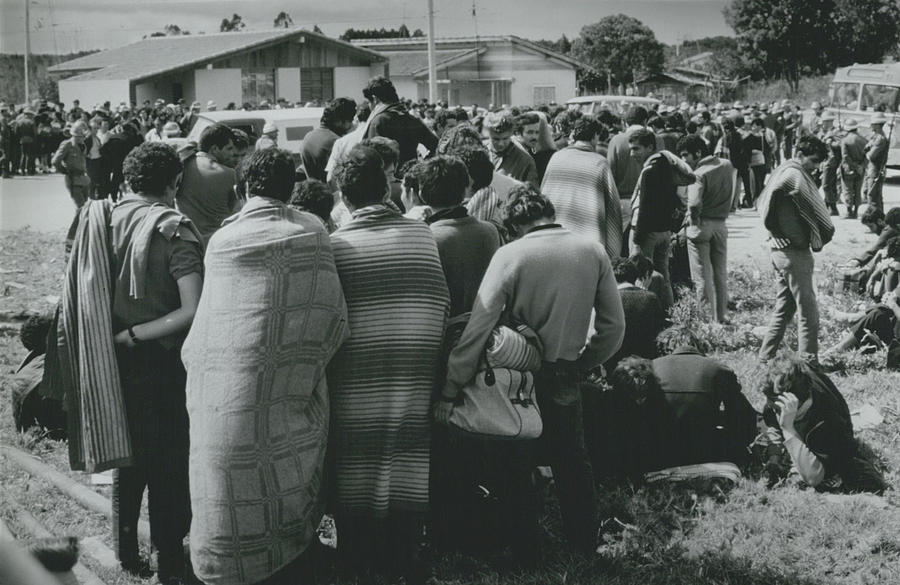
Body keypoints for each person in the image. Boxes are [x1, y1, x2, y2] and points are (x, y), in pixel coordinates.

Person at [183, 148, 348, 585]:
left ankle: (222, 563)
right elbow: (330, 315)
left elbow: (214, 322)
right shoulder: (312, 231)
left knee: (221, 483)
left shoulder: (221, 240)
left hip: (222, 393)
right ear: (291, 189)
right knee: (285, 468)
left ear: (241, 189)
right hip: (284, 388)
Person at [439, 188, 625, 557]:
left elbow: (479, 326)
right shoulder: (592, 250)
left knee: (518, 461)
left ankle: (525, 545)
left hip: (515, 374)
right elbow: (614, 328)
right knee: (572, 459)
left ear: (513, 225)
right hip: (565, 368)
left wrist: (451, 385)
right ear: (549, 212)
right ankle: (584, 544)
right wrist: (583, 362)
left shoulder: (510, 254)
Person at [328, 145, 449, 584]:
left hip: (355, 380)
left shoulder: (335, 246)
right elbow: (438, 301)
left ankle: (356, 558)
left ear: (343, 197)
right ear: (388, 189)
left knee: (354, 465)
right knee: (405, 462)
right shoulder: (421, 235)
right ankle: (401, 556)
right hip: (413, 375)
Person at [102, 142, 203, 583]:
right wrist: (139, 333)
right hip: (162, 362)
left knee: (128, 457)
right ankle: (170, 559)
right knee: (169, 462)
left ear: (128, 180)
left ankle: (125, 551)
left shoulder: (101, 222)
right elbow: (192, 308)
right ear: (174, 181)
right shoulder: (174, 228)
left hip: (111, 359)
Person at [757, 135, 834, 363]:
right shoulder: (795, 174)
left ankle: (765, 357)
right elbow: (807, 203)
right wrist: (779, 231)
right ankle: (809, 362)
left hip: (781, 252)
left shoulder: (782, 170)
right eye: (813, 160)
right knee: (808, 312)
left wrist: (775, 232)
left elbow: (767, 203)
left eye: (819, 162)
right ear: (799, 154)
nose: (816, 166)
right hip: (793, 253)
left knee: (785, 307)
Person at [761, 358, 887, 494]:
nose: (774, 411)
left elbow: (813, 477)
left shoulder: (827, 423)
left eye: (778, 409)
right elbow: (772, 423)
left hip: (830, 439)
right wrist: (774, 456)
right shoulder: (779, 401)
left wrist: (788, 428)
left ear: (794, 403)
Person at [629, 128, 696, 308]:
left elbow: (644, 209)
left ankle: (646, 314)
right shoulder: (667, 166)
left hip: (647, 234)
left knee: (643, 278)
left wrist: (636, 241)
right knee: (664, 277)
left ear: (650, 147)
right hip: (664, 232)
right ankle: (669, 314)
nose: (632, 153)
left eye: (636, 149)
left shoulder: (649, 171)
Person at [541, 114, 622, 260]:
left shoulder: (556, 158)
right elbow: (613, 209)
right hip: (588, 242)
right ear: (595, 136)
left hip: (555, 237)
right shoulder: (599, 162)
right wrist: (614, 252)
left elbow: (545, 195)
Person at [679, 133, 734, 322]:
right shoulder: (726, 165)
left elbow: (694, 203)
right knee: (720, 272)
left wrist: (693, 220)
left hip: (701, 225)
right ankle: (721, 315)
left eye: (686, 155)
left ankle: (706, 319)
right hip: (721, 224)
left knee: (701, 277)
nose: (684, 159)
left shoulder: (698, 174)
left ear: (698, 153)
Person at [175, 123, 238, 242]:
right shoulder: (229, 174)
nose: (232, 154)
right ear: (214, 149)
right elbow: (236, 211)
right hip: (218, 241)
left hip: (187, 240)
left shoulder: (182, 166)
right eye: (229, 148)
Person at [604, 255, 666, 374]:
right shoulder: (651, 298)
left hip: (613, 369)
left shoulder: (607, 299)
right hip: (644, 368)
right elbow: (659, 333)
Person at [364, 76, 438, 169]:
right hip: (409, 176)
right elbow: (436, 146)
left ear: (375, 99)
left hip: (387, 178)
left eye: (369, 102)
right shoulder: (411, 119)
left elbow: (370, 158)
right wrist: (423, 165)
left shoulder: (378, 121)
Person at [52, 121, 92, 245]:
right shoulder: (67, 144)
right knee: (81, 209)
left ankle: (83, 236)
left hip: (84, 180)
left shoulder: (83, 145)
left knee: (85, 209)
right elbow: (55, 161)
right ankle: (72, 238)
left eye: (83, 136)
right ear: (74, 135)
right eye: (79, 136)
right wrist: (65, 171)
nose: (82, 138)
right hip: (73, 180)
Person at [300, 97, 356, 182]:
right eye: (350, 121)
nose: (351, 125)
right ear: (339, 121)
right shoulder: (336, 142)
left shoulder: (308, 136)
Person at [483, 111, 539, 189]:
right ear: (488, 134)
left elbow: (533, 194)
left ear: (511, 134)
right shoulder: (479, 152)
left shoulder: (525, 161)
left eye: (505, 138)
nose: (501, 144)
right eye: (495, 139)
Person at [514, 111, 554, 182]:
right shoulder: (518, 154)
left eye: (537, 132)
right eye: (530, 132)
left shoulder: (529, 152)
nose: (534, 137)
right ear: (518, 134)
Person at [863, 113, 889, 214]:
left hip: (875, 170)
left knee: (872, 196)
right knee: (874, 195)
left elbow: (870, 155)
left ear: (877, 125)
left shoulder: (880, 139)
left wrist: (866, 151)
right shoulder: (876, 136)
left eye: (873, 124)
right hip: (872, 169)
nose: (871, 126)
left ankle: (874, 219)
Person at [840, 118, 867, 219]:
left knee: (847, 190)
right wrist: (861, 166)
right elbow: (867, 156)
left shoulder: (845, 140)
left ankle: (849, 212)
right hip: (861, 169)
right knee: (857, 189)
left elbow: (845, 156)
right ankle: (855, 212)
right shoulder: (864, 140)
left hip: (848, 169)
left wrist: (854, 166)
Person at [820, 112, 842, 216]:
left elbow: (841, 145)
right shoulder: (824, 132)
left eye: (824, 122)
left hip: (832, 161)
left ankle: (833, 207)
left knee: (826, 185)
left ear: (829, 122)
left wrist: (830, 142)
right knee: (830, 185)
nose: (822, 124)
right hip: (825, 161)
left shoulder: (836, 132)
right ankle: (828, 205)